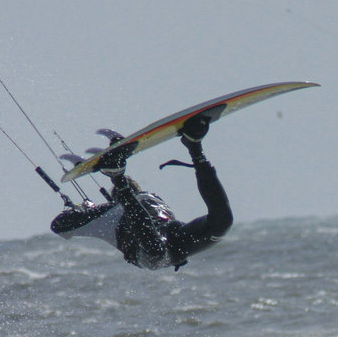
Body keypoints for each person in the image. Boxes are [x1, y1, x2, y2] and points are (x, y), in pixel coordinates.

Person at [50, 113, 232, 271]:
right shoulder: (102, 214)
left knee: (222, 222)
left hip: (173, 237)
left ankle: (194, 147)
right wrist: (79, 211)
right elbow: (58, 225)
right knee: (155, 248)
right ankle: (117, 176)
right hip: (148, 253)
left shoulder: (149, 196)